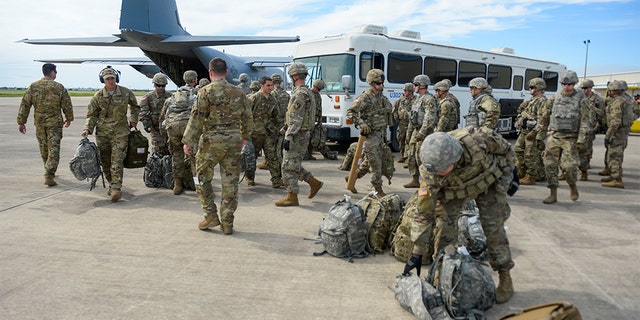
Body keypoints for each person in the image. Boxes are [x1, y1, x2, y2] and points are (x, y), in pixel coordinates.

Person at [401, 129, 516, 304]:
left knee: (494, 229)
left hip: (488, 182)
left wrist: (510, 176)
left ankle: (505, 276)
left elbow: (507, 151)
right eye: (436, 172)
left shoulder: (481, 139)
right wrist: (417, 251)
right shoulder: (431, 171)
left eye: (442, 170)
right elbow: (424, 211)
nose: (438, 174)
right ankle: (442, 273)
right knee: (444, 227)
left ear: (455, 157)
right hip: (454, 191)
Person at [182, 58, 254, 235]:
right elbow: (248, 118)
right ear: (227, 72)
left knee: (200, 178)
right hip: (234, 142)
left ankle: (210, 214)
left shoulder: (204, 92)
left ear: (210, 72)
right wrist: (244, 137)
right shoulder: (238, 92)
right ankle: (227, 222)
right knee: (230, 182)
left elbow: (196, 118)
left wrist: (187, 141)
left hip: (210, 142)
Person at [81, 66, 140, 202]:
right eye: (108, 79)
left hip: (120, 133)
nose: (111, 81)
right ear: (103, 80)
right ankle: (111, 183)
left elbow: (135, 106)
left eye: (112, 78)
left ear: (116, 79)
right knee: (105, 160)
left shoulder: (125, 92)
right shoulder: (98, 96)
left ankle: (116, 187)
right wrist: (87, 129)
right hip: (103, 134)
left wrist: (133, 120)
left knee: (117, 160)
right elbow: (91, 115)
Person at [274, 62, 323, 206]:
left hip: (297, 135)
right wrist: (285, 127)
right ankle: (313, 182)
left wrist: (288, 135)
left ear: (294, 76)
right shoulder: (307, 92)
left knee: (287, 166)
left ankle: (292, 197)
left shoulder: (300, 93)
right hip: (302, 133)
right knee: (293, 164)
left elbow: (296, 117)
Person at [17, 63, 74, 186]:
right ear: (52, 72)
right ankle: (49, 174)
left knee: (43, 148)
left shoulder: (33, 86)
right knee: (53, 149)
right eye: (55, 72)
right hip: (54, 124)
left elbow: (25, 104)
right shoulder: (59, 87)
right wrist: (69, 118)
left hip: (40, 123)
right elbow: (67, 104)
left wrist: (21, 122)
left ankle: (48, 169)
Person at [538, 70, 590, 204]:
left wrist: (582, 139)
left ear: (574, 84)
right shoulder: (554, 98)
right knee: (549, 165)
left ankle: (572, 186)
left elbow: (585, 120)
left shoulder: (581, 100)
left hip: (571, 138)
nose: (567, 87)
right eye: (564, 84)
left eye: (570, 84)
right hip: (554, 136)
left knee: (569, 167)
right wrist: (539, 135)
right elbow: (544, 117)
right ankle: (553, 193)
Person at [346, 69, 393, 196]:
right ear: (371, 83)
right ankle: (378, 190)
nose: (381, 86)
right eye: (378, 83)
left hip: (380, 135)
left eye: (382, 83)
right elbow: (350, 112)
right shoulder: (365, 98)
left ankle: (352, 178)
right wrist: (362, 123)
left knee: (368, 162)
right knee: (376, 164)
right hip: (371, 135)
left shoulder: (381, 98)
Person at [159, 74, 198, 195]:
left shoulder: (170, 99)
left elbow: (162, 118)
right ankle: (197, 184)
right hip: (188, 129)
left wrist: (164, 135)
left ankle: (177, 184)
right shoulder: (195, 98)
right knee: (194, 158)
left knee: (177, 155)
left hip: (173, 128)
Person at [247, 76, 283, 188]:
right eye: (268, 85)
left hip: (268, 133)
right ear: (261, 85)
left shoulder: (273, 99)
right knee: (252, 157)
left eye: (271, 85)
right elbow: (245, 115)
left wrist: (280, 128)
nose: (270, 88)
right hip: (255, 134)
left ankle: (276, 180)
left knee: (272, 157)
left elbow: (276, 116)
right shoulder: (254, 98)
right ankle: (250, 178)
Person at [404, 74, 438, 188]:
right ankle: (415, 179)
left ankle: (427, 182)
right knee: (412, 155)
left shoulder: (429, 99)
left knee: (423, 157)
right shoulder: (418, 99)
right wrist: (409, 133)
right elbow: (412, 117)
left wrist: (422, 133)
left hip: (425, 132)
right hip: (416, 130)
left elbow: (429, 118)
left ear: (422, 86)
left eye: (416, 85)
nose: (414, 87)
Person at [600, 80, 633, 188]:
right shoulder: (625, 100)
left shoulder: (617, 102)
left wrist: (608, 134)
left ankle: (617, 179)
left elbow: (615, 122)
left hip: (617, 134)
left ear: (613, 91)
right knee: (617, 155)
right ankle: (614, 175)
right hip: (622, 133)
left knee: (614, 155)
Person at [515, 78, 547, 185]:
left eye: (532, 87)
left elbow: (543, 119)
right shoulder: (532, 100)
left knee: (530, 154)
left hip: (532, 132)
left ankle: (531, 176)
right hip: (524, 130)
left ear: (539, 88)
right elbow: (523, 113)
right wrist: (521, 108)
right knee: (518, 150)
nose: (530, 89)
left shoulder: (542, 101)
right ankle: (522, 171)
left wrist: (535, 132)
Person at [258, 73, 289, 171]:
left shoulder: (272, 95)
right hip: (283, 123)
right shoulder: (286, 94)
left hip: (272, 126)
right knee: (278, 149)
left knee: (272, 149)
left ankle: (270, 165)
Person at [576, 79, 605, 181]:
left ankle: (584, 168)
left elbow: (602, 114)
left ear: (590, 88)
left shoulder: (598, 100)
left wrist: (599, 126)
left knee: (586, 148)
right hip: (578, 126)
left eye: (586, 88)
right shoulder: (578, 98)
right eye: (582, 88)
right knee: (577, 148)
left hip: (591, 127)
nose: (584, 91)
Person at [139, 73, 173, 155]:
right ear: (154, 85)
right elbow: (143, 113)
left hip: (168, 128)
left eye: (163, 86)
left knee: (170, 149)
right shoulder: (148, 97)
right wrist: (148, 126)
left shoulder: (171, 96)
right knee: (157, 150)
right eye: (158, 85)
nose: (160, 88)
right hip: (155, 128)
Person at [306, 79, 338, 160]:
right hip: (309, 120)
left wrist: (319, 120)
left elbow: (319, 108)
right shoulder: (308, 94)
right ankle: (306, 155)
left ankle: (310, 154)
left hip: (316, 120)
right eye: (318, 89)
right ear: (314, 86)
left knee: (314, 138)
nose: (319, 91)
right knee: (308, 138)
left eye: (320, 90)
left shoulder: (318, 95)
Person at [392, 83, 415, 163]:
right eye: (404, 90)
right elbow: (395, 110)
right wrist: (395, 118)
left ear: (411, 91)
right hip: (402, 123)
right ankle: (402, 155)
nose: (405, 92)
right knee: (401, 139)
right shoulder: (400, 100)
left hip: (411, 124)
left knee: (408, 141)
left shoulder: (416, 101)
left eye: (407, 90)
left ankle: (407, 159)